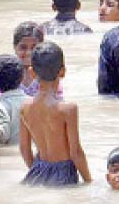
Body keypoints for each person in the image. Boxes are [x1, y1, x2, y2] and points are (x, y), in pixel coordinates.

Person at [20, 41, 92, 187]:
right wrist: (89, 182)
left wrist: (37, 169)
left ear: (32, 72)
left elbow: (24, 148)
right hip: (63, 173)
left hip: (37, 171)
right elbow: (75, 152)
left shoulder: (24, 107)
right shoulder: (67, 109)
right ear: (63, 71)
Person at [0, 54, 27, 146]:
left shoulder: (0, 106)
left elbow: (3, 136)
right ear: (22, 78)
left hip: (10, 154)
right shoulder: (32, 102)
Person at [13, 21, 47, 96]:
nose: (29, 52)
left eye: (34, 47)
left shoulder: (47, 74)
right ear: (15, 47)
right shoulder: (8, 73)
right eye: (23, 47)